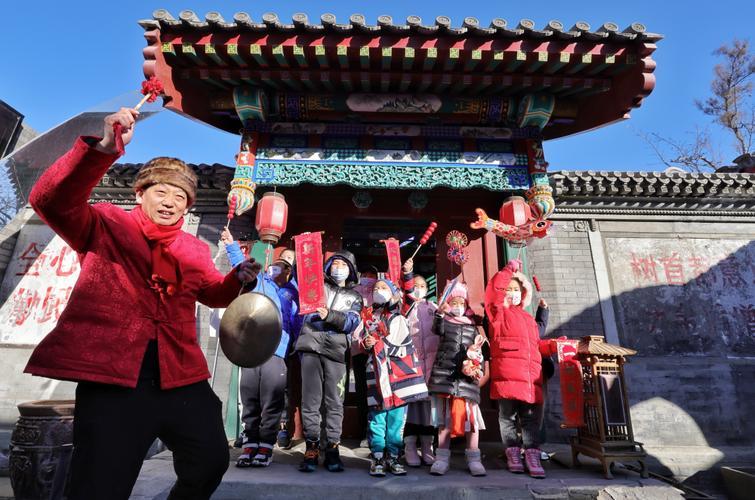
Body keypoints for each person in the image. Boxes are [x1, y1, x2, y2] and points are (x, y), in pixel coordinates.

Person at [24, 108, 259, 499]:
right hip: (114, 378)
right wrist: (104, 147)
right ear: (139, 194)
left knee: (210, 460)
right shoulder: (105, 223)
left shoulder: (194, 249)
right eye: (161, 192)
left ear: (188, 206)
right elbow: (50, 200)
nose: (170, 202)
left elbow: (213, 293)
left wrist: (238, 279)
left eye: (180, 196)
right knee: (100, 486)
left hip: (180, 374)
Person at [221, 231, 298, 468]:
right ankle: (250, 444)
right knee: (250, 399)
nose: (281, 267)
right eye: (279, 262)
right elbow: (242, 267)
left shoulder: (295, 292)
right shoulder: (262, 282)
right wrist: (231, 246)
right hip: (252, 350)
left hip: (277, 352)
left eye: (288, 264)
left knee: (271, 402)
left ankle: (265, 445)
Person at [485, 259, 557, 479]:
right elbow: (494, 292)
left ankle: (532, 454)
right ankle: (513, 453)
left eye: (516, 289)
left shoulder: (527, 318)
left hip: (530, 376)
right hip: (507, 374)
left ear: (523, 293)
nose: (512, 293)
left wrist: (553, 344)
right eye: (508, 289)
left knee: (530, 418)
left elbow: (536, 343)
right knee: (507, 416)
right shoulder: (498, 314)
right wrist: (508, 270)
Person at [295, 251, 363, 472]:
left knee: (335, 402)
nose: (338, 267)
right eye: (335, 263)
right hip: (311, 346)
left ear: (350, 270)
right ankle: (312, 447)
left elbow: (351, 322)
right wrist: (304, 251)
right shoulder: (317, 286)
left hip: (336, 351)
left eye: (343, 264)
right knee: (310, 401)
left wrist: (330, 315)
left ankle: (332, 447)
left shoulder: (355, 297)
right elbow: (300, 274)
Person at [358, 278, 428, 477]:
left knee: (397, 420)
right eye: (376, 288)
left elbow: (409, 294)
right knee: (377, 417)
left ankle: (394, 456)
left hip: (399, 374)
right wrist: (366, 343)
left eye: (384, 288)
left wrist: (407, 274)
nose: (379, 291)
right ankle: (378, 455)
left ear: (393, 292)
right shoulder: (368, 315)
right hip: (376, 372)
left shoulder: (401, 311)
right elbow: (362, 340)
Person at [427, 283, 489, 477]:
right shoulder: (444, 322)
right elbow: (436, 328)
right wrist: (439, 314)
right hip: (445, 378)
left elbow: (480, 351)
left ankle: (474, 459)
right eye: (454, 302)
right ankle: (441, 458)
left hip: (467, 380)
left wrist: (476, 365)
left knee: (472, 420)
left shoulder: (473, 327)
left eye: (462, 303)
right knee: (444, 421)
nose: (458, 306)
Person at [403, 274, 439, 466]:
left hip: (431, 365)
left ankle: (427, 446)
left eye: (422, 285)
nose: (419, 288)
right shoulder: (405, 308)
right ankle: (409, 446)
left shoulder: (434, 308)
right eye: (415, 285)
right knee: (410, 407)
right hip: (410, 364)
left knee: (428, 409)